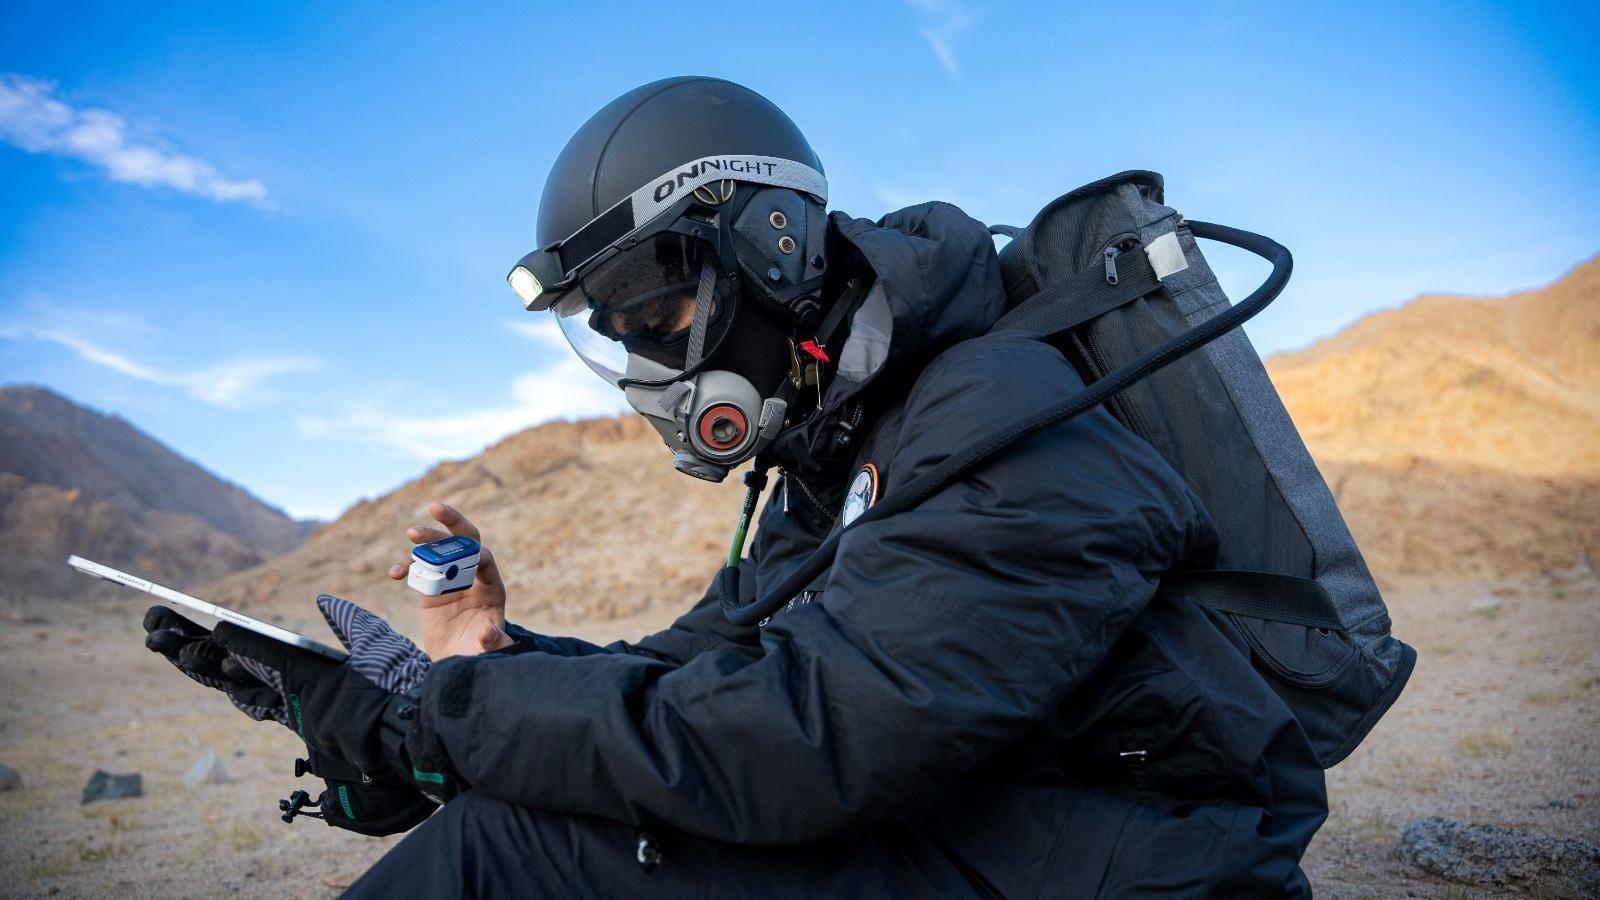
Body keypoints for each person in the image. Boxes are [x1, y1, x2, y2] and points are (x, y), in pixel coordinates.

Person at [143, 76, 1329, 897]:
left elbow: (809, 745)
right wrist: (472, 680)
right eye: (618, 333)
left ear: (768, 245)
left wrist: (436, 729)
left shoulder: (1004, 420)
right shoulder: (843, 442)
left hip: (1117, 867)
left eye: (658, 312)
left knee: (514, 854)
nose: (649, 361)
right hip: (994, 826)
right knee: (546, 805)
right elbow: (700, 671)